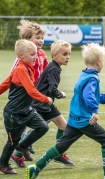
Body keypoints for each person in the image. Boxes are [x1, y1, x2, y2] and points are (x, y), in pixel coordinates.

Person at [26, 43, 105, 179]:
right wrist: (95, 111)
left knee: (60, 147)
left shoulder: (85, 73)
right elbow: (89, 96)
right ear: (99, 61)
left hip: (74, 119)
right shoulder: (92, 78)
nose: (103, 63)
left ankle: (35, 168)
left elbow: (93, 96)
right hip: (85, 120)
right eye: (104, 60)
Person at [11, 40, 74, 168]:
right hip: (41, 104)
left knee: (63, 125)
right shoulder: (54, 70)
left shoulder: (53, 67)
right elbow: (52, 89)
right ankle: (19, 150)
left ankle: (59, 153)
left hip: (45, 104)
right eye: (64, 54)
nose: (68, 57)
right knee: (40, 128)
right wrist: (60, 94)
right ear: (55, 55)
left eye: (69, 54)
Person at [0, 39, 52, 174]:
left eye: (36, 53)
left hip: (26, 110)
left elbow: (5, 85)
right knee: (12, 142)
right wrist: (46, 99)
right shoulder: (21, 69)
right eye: (32, 54)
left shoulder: (27, 68)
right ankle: (3, 164)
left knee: (43, 126)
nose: (36, 56)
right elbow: (31, 91)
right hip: (14, 114)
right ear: (21, 56)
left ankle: (23, 146)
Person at [11, 19, 49, 161]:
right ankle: (19, 151)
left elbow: (45, 72)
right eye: (37, 38)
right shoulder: (20, 60)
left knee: (44, 118)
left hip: (38, 94)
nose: (40, 41)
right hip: (26, 96)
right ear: (27, 40)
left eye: (42, 38)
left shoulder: (42, 54)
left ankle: (24, 146)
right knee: (24, 123)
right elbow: (13, 77)